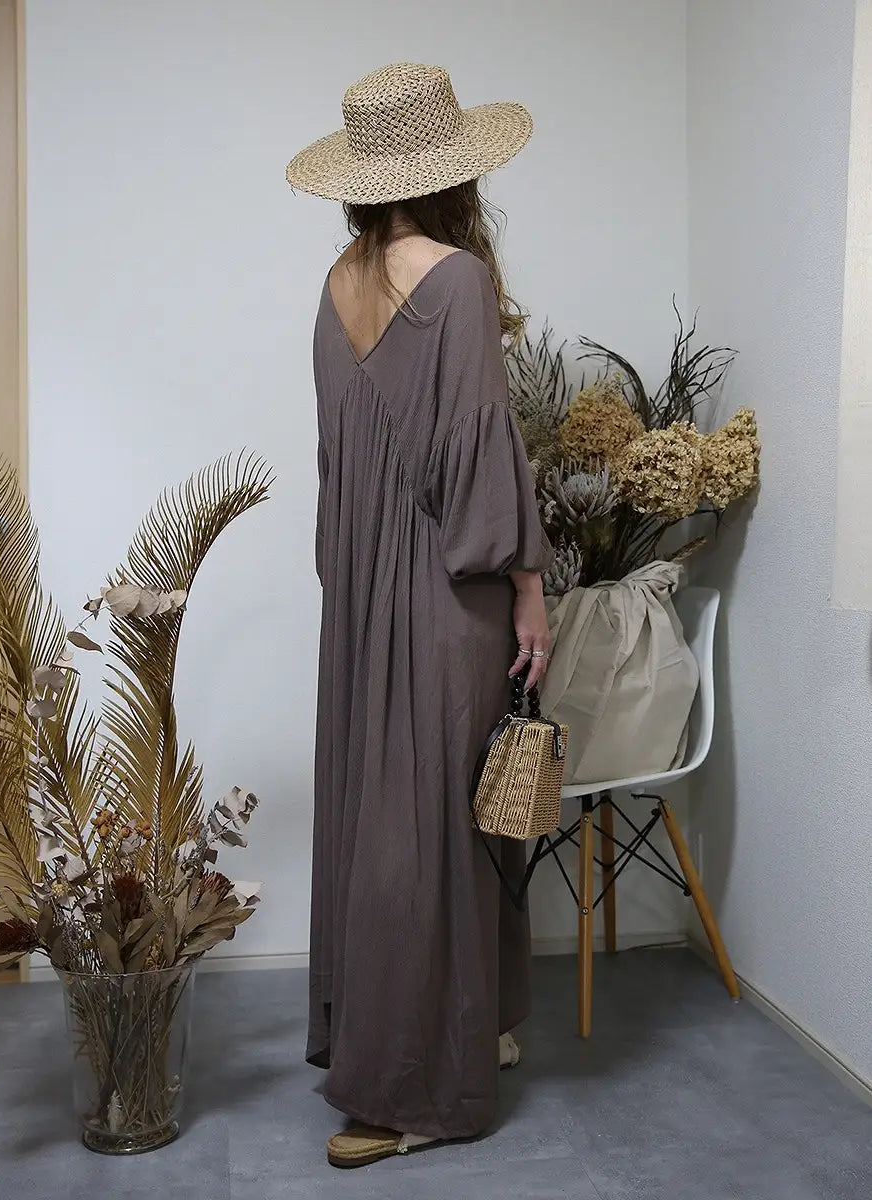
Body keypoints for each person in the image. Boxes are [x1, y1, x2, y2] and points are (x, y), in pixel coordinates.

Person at [285, 61, 554, 1169]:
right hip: (448, 591)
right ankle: (411, 1091)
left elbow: (340, 462)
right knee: (443, 822)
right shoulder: (457, 280)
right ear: (453, 174)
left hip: (364, 594)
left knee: (387, 817)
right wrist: (529, 589)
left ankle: (443, 1029)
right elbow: (479, 459)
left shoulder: (337, 284)